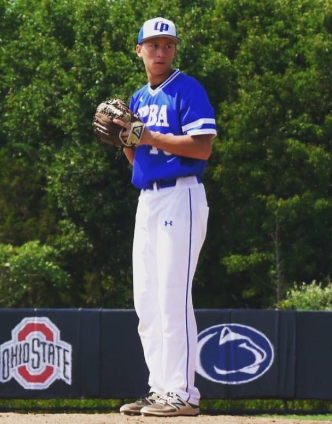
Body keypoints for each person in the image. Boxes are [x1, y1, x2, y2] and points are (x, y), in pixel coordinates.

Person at [117, 17, 217, 417]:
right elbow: (136, 155)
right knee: (147, 301)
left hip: (182, 196)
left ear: (175, 50)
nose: (161, 52)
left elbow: (202, 147)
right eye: (153, 45)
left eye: (168, 45)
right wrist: (123, 139)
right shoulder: (138, 97)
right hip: (148, 199)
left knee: (172, 297)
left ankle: (183, 393)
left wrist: (147, 136)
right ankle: (160, 388)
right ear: (138, 49)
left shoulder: (187, 89)